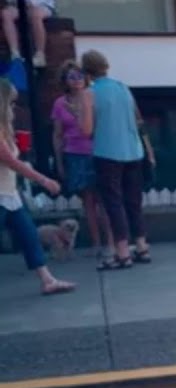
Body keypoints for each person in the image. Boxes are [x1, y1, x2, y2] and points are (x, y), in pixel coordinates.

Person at [77, 49, 153, 270]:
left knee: (113, 202)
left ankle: (122, 252)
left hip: (107, 152)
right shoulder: (123, 88)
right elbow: (137, 119)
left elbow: (86, 129)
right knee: (133, 201)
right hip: (133, 150)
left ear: (86, 71)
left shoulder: (88, 94)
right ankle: (141, 246)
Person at [0, 78, 73, 294]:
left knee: (30, 235)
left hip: (9, 193)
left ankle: (47, 280)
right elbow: (10, 161)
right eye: (11, 103)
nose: (14, 107)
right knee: (27, 234)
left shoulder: (6, 129)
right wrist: (44, 180)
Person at [50, 59, 111, 259]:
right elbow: (58, 135)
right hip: (75, 154)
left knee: (105, 199)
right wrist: (59, 161)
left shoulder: (94, 97)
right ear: (65, 81)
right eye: (71, 77)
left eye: (79, 76)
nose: (76, 80)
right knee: (88, 201)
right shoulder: (60, 103)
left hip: (98, 152)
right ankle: (96, 243)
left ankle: (111, 241)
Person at [2, 0, 52, 68]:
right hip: (19, 7)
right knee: (6, 13)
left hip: (42, 6)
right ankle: (15, 54)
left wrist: (30, 3)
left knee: (35, 14)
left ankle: (40, 55)